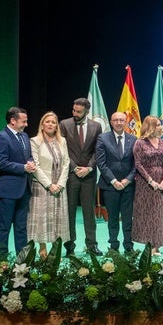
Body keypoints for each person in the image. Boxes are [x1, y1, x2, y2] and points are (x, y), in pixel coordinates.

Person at [59, 97, 102, 256]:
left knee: (89, 212)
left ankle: (92, 245)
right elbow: (62, 150)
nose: (75, 113)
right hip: (71, 174)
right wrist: (75, 167)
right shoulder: (64, 124)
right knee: (69, 211)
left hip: (88, 176)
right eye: (74, 110)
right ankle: (69, 246)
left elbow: (98, 151)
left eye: (79, 111)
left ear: (87, 111)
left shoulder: (96, 126)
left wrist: (89, 168)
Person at [0, 107, 37, 257]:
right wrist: (23, 167)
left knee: (21, 227)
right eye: (23, 121)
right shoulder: (1, 137)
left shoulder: (24, 137)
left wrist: (30, 163)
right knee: (4, 227)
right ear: (12, 121)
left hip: (23, 189)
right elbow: (0, 163)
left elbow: (28, 156)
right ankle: (1, 261)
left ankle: (22, 260)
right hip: (7, 190)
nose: (26, 124)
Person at [27, 111, 70, 260]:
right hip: (42, 186)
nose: (50, 124)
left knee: (57, 217)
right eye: (48, 122)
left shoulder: (62, 141)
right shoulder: (34, 141)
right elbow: (36, 166)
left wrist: (60, 184)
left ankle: (55, 248)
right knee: (42, 218)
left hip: (59, 186)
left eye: (53, 122)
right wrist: (49, 184)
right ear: (42, 124)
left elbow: (66, 163)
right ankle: (42, 248)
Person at [96, 111, 137, 255]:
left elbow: (136, 164)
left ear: (126, 122)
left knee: (127, 218)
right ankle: (113, 246)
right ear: (111, 122)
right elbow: (101, 162)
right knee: (112, 219)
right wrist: (114, 180)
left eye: (122, 120)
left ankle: (128, 245)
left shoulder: (134, 139)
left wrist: (127, 180)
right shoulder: (103, 138)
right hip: (109, 186)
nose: (119, 122)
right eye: (116, 120)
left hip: (128, 186)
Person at [132, 116, 163, 256]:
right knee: (148, 213)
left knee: (159, 213)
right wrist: (150, 181)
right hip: (145, 183)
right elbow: (138, 164)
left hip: (161, 181)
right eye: (159, 125)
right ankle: (148, 244)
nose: (161, 127)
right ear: (150, 126)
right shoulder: (140, 143)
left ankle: (157, 245)